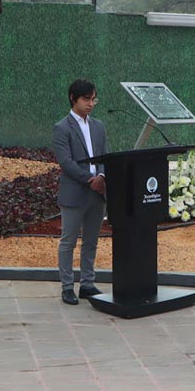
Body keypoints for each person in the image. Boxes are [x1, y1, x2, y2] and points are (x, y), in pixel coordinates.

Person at [53, 78, 107, 305]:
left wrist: (102, 177)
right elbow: (65, 161)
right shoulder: (62, 127)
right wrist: (89, 180)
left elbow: (105, 154)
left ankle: (87, 283)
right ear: (73, 99)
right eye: (86, 99)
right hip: (75, 192)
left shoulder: (98, 126)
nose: (91, 104)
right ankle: (67, 286)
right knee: (69, 241)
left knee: (91, 240)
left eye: (93, 99)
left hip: (97, 192)